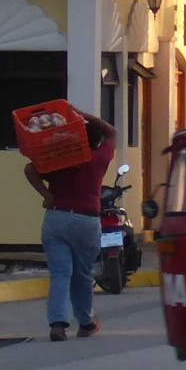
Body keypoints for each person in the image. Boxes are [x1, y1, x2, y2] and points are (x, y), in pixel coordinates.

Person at [26, 112, 116, 342]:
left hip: (57, 218)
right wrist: (81, 114)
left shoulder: (59, 158)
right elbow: (111, 132)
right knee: (82, 273)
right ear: (96, 142)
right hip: (86, 220)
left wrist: (48, 195)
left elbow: (29, 169)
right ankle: (86, 323)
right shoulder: (99, 158)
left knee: (60, 273)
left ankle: (57, 325)